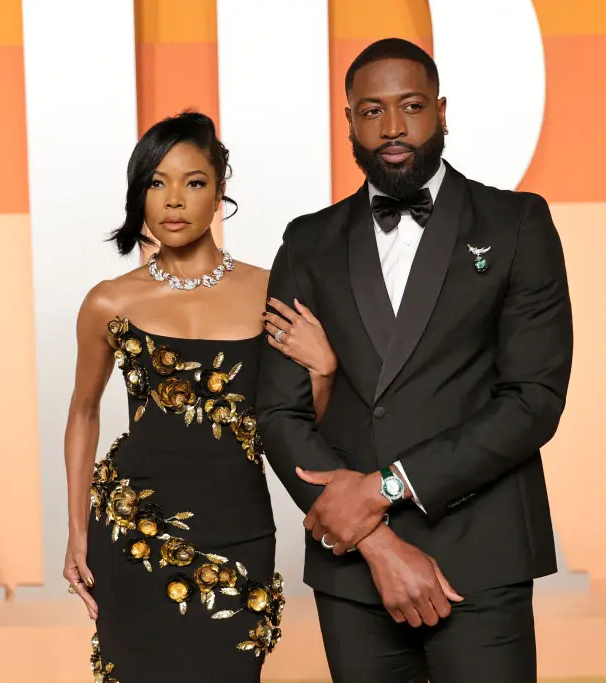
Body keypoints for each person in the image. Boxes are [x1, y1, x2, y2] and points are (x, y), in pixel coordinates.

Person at [256, 38, 574, 682]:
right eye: (372, 111)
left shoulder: (515, 223)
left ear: (442, 111)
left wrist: (386, 487)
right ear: (349, 121)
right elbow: (279, 412)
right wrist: (372, 539)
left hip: (481, 554)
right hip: (353, 567)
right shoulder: (308, 241)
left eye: (411, 106)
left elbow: (533, 400)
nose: (393, 128)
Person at [61, 112, 332, 682]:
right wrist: (77, 531)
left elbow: (304, 424)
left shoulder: (271, 291)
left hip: (237, 533)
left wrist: (326, 370)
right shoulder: (109, 302)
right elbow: (83, 412)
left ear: (220, 189)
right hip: (131, 531)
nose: (173, 200)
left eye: (194, 182)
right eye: (156, 183)